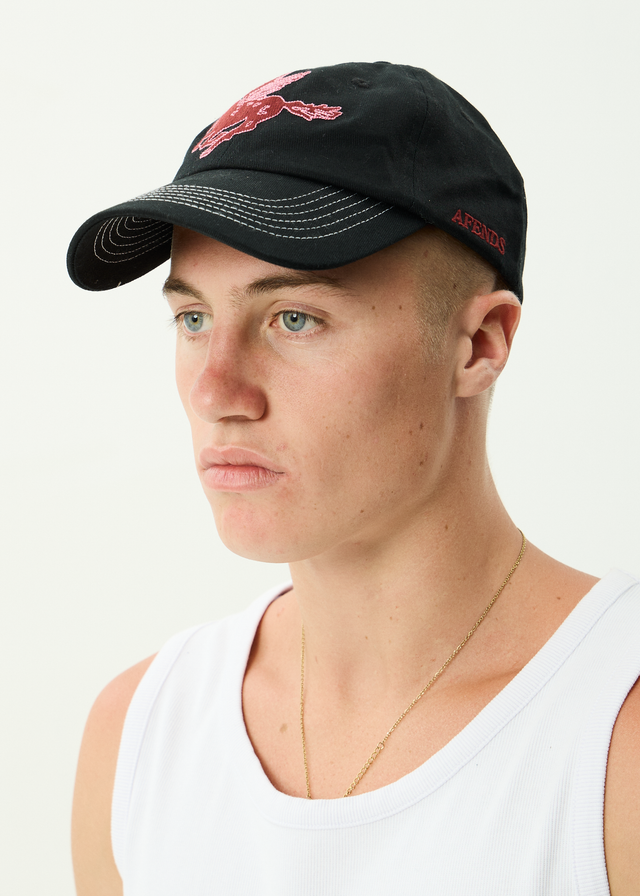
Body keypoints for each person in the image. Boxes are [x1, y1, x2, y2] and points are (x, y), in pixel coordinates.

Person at [67, 62, 640, 895]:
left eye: (295, 318)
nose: (216, 392)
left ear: (479, 344)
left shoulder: (615, 746)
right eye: (193, 317)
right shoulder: (139, 736)